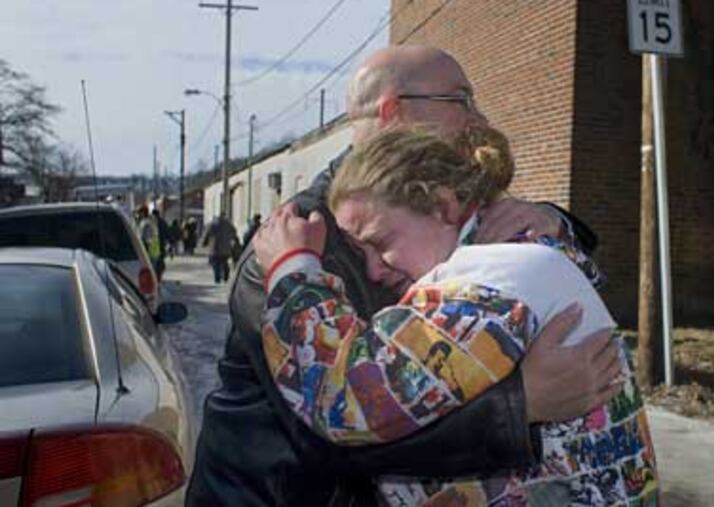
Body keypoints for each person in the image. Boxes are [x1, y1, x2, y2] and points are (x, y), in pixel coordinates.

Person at [186, 46, 614, 506]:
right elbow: (335, 423)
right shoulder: (292, 246)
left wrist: (548, 221)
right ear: (394, 112)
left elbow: (542, 286)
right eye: (460, 100)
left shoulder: (429, 212)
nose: (478, 118)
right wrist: (520, 406)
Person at [254, 126, 657, 505]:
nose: (375, 270)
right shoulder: (518, 261)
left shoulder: (492, 280)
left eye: (381, 242)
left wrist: (293, 267)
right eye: (362, 254)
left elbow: (344, 396)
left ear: (444, 206)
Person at [202, 213, 238, 284]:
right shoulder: (229, 224)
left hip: (215, 247)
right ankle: (226, 277)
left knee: (216, 263)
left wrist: (204, 243)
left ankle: (217, 278)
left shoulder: (212, 225)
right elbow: (234, 233)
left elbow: (207, 234)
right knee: (225, 262)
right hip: (226, 248)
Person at [136, 205, 162, 277]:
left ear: (143, 213)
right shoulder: (152, 221)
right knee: (152, 272)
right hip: (155, 251)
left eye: (139, 213)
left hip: (149, 251)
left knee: (149, 273)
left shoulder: (145, 223)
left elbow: (145, 239)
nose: (138, 215)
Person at [152, 208, 169, 280]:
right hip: (162, 245)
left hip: (153, 246)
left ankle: (155, 276)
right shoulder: (163, 222)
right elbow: (167, 233)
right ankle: (159, 276)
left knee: (154, 262)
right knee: (160, 261)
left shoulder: (151, 222)